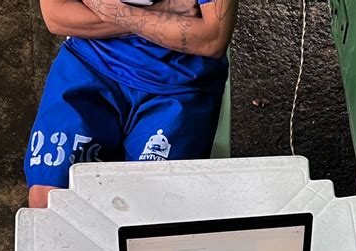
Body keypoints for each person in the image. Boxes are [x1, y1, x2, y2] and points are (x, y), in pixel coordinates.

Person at [25, 0, 238, 208]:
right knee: (49, 199)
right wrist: (165, 10)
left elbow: (212, 37)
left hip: (179, 83)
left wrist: (108, 11)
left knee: (151, 210)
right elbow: (56, 16)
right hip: (90, 62)